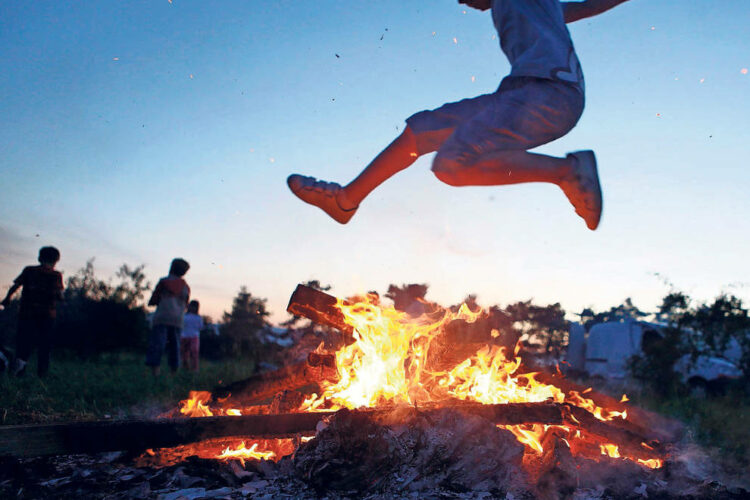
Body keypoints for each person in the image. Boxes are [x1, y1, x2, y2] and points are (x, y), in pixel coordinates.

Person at [288, 0, 632, 231]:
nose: (462, 3)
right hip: (526, 94)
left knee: (452, 164)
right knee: (421, 131)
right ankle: (345, 202)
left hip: (548, 95)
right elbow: (585, 6)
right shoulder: (527, 6)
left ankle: (567, 172)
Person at [0, 246, 64, 376]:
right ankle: (42, 374)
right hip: (47, 316)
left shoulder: (29, 270)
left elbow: (16, 286)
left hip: (27, 314)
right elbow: (60, 295)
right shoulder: (56, 275)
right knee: (44, 346)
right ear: (56, 260)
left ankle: (18, 372)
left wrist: (7, 299)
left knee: (23, 343)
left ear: (40, 257)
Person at [145, 258, 190, 376]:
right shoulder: (186, 287)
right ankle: (173, 372)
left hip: (162, 318)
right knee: (175, 346)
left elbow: (154, 300)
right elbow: (186, 304)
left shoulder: (163, 282)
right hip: (177, 320)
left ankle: (155, 371)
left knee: (158, 344)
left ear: (171, 268)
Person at [181, 300, 203, 372]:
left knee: (194, 353)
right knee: (184, 353)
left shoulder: (198, 318)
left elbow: (200, 327)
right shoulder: (184, 316)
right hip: (184, 336)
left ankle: (195, 369)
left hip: (194, 336)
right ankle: (185, 368)